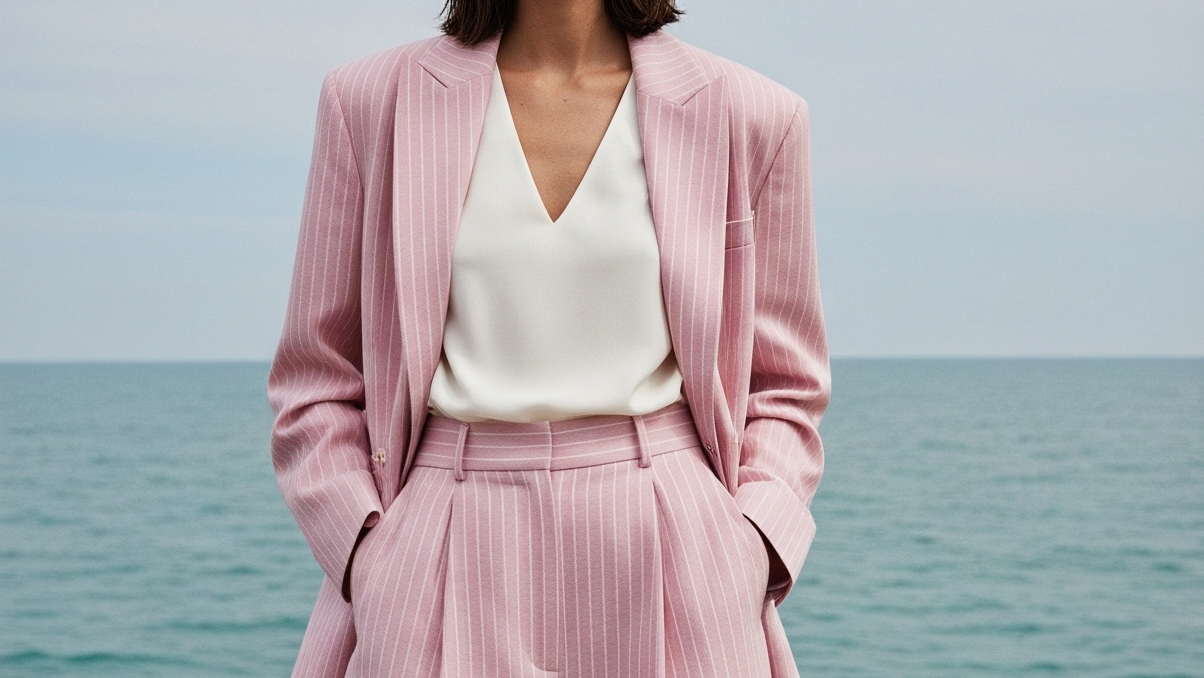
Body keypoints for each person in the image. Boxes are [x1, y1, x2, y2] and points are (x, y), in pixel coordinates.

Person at [267, 0, 830, 676]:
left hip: (676, 542)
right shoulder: (367, 102)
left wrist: (753, 545)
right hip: (440, 539)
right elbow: (315, 373)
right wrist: (364, 550)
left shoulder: (755, 114)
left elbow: (786, 383)